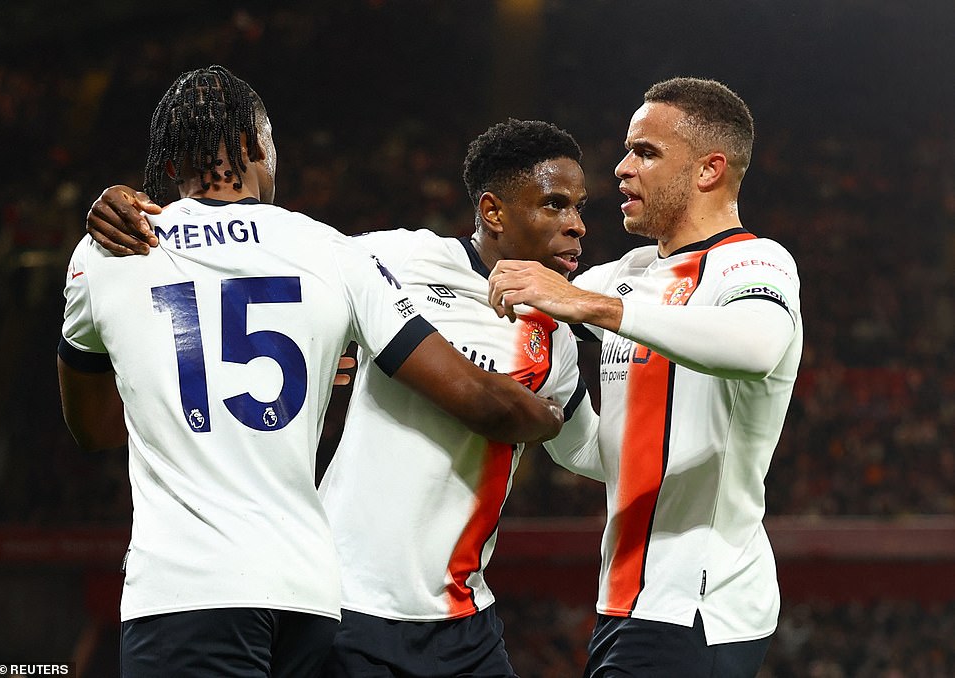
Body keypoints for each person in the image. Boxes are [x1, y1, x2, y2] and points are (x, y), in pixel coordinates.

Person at [58, 66, 564, 678]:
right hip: (307, 596)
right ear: (258, 151)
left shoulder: (111, 249)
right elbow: (479, 398)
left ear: (170, 164)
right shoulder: (334, 252)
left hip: (183, 591)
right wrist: (553, 413)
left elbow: (95, 428)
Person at [489, 77, 803, 677]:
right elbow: (593, 453)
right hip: (626, 601)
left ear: (710, 169)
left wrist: (594, 310)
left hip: (701, 603)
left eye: (646, 153)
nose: (622, 169)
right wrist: (552, 388)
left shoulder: (755, 261)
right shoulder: (625, 275)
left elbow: (757, 346)